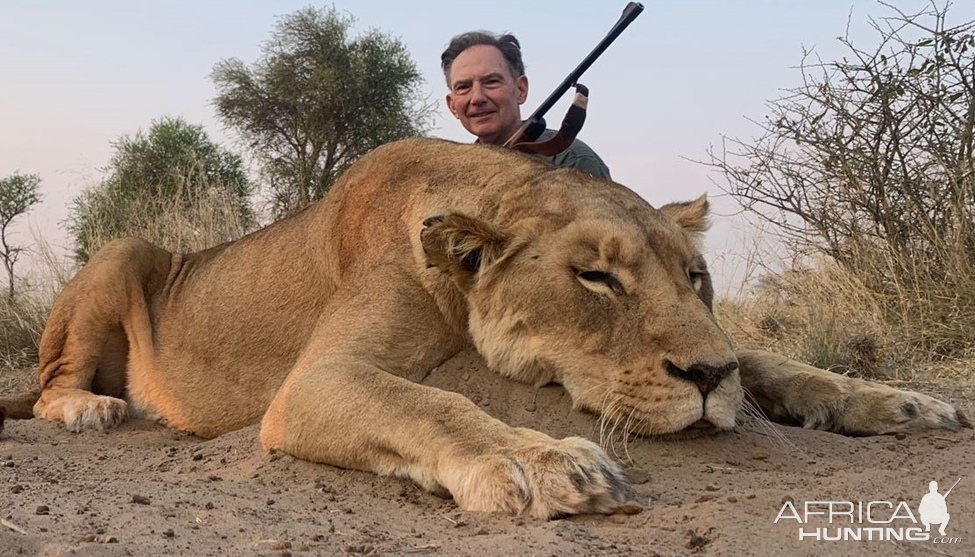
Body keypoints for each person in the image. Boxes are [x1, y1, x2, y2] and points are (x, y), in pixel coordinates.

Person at [440, 31, 611, 179]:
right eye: (463, 87)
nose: (477, 98)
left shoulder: (573, 161)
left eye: (491, 81)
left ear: (521, 89)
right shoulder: (455, 174)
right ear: (452, 105)